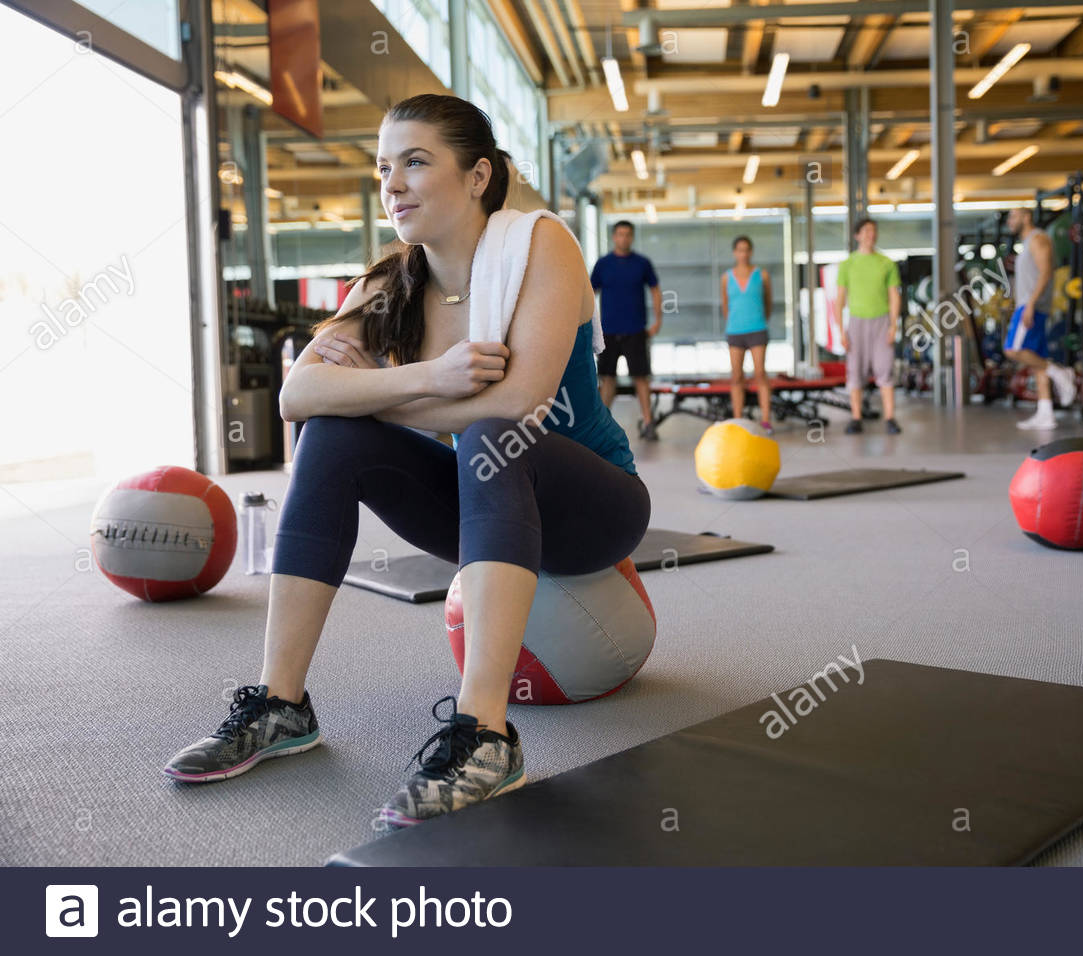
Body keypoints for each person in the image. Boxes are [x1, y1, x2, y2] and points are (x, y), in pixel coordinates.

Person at [162, 94, 651, 828]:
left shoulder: (540, 245)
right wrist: (428, 376)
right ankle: (281, 703)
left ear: (479, 175)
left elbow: (518, 405)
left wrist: (372, 395)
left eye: (416, 162)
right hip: (482, 504)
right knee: (330, 435)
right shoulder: (393, 281)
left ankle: (486, 736)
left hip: (593, 505)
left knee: (487, 434)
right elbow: (300, 395)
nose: (393, 182)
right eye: (385, 167)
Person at [1003, 207, 1077, 429]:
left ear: (1026, 217)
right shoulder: (1027, 243)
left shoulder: (1039, 239)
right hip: (1027, 304)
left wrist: (1031, 304)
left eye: (1013, 216)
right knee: (1036, 361)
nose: (1010, 221)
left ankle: (1061, 372)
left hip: (1031, 306)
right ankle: (1046, 414)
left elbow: (1046, 272)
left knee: (1012, 350)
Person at [591, 221, 662, 440]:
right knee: (607, 379)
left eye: (628, 234)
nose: (624, 238)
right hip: (608, 332)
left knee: (641, 378)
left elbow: (655, 290)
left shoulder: (642, 263)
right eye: (620, 234)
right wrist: (588, 324)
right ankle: (601, 427)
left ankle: (648, 423)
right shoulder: (603, 264)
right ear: (614, 237)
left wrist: (658, 320)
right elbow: (589, 294)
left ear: (631, 237)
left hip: (635, 331)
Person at [833, 218, 903, 435]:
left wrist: (893, 326)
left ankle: (890, 418)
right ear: (857, 236)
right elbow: (839, 299)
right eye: (866, 231)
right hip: (857, 321)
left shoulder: (886, 263)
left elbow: (894, 297)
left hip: (881, 321)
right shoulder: (848, 264)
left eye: (873, 231)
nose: (870, 234)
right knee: (855, 370)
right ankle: (856, 418)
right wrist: (841, 330)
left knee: (885, 369)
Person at [720, 236, 772, 431]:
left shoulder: (762, 274)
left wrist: (759, 319)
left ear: (751, 252)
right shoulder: (726, 277)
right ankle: (738, 420)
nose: (743, 254)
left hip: (757, 328)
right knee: (736, 376)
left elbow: (767, 302)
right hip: (735, 331)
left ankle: (766, 420)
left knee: (760, 373)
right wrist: (734, 322)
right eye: (739, 250)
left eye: (746, 250)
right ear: (735, 253)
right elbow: (725, 305)